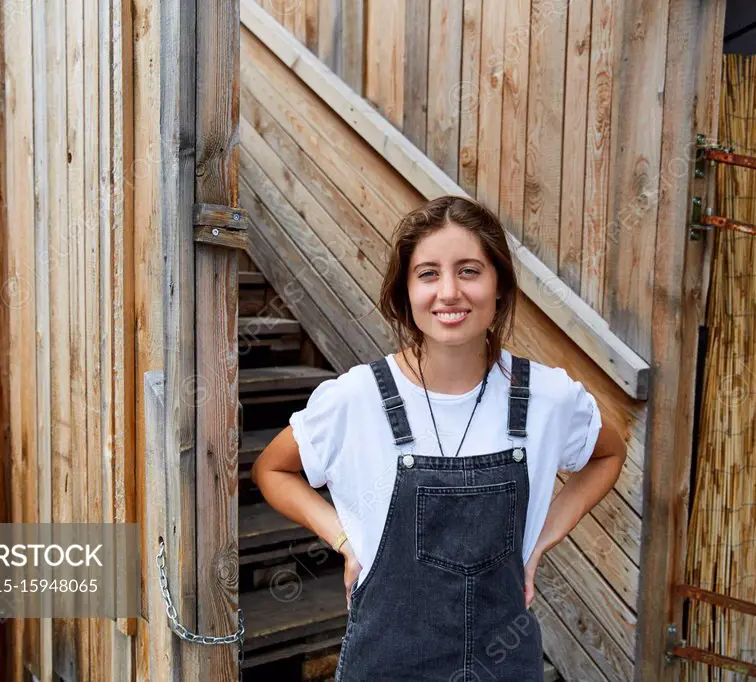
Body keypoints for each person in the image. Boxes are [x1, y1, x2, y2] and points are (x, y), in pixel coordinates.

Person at [252, 195, 627, 681]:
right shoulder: (358, 398)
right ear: (406, 292)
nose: (449, 291)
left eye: (469, 270)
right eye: (428, 273)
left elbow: (608, 454)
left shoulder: (547, 397)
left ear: (499, 288)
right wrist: (343, 540)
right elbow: (271, 469)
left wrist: (538, 543)